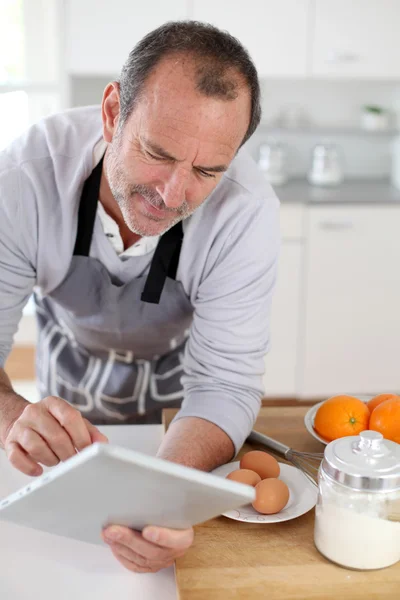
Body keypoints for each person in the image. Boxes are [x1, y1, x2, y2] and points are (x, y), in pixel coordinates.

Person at [0, 21, 279, 572]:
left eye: (207, 171)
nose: (173, 194)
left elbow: (225, 384)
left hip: (180, 409)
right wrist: (13, 415)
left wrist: (160, 499)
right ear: (111, 112)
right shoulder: (26, 177)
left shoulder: (246, 212)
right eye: (157, 152)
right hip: (70, 381)